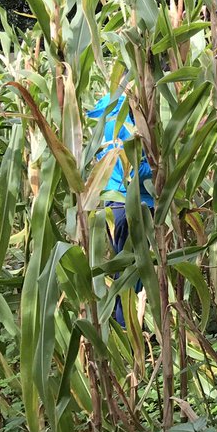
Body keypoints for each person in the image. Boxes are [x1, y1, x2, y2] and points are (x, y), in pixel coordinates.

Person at [88, 91, 154, 327]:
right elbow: (135, 171)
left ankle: (129, 325)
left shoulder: (107, 111)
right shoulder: (132, 117)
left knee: (124, 264)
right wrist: (162, 168)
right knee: (136, 268)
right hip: (137, 203)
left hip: (113, 200)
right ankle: (130, 326)